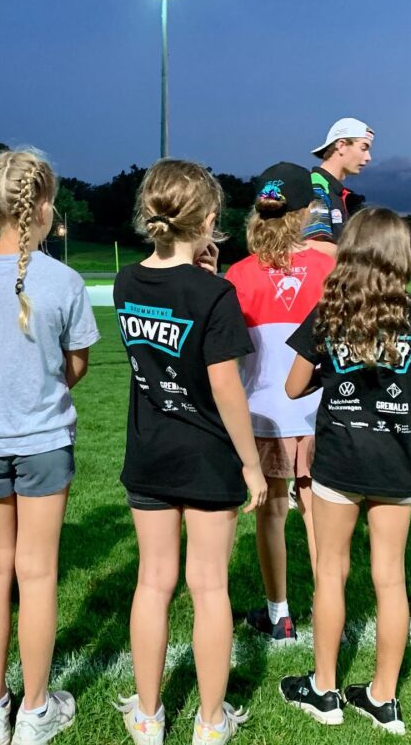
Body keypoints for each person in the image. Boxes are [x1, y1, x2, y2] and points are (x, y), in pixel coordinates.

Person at [280, 208, 411, 735]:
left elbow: (294, 387)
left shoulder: (330, 311)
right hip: (396, 464)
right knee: (390, 579)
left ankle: (325, 689)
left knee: (330, 573)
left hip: (338, 463)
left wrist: (333, 376)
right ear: (402, 255)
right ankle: (383, 699)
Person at [112, 159, 267, 745]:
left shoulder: (127, 282)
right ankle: (209, 721)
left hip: (150, 453)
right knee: (209, 587)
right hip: (207, 457)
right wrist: (252, 464)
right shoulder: (216, 293)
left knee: (153, 582)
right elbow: (226, 387)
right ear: (206, 220)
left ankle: (149, 716)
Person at [0, 149, 100, 745]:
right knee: (36, 576)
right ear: (43, 206)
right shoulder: (64, 280)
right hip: (43, 445)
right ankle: (35, 712)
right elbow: (77, 365)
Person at [225, 163, 336, 645]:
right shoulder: (328, 268)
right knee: (317, 512)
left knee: (271, 513)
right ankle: (327, 607)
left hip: (261, 414)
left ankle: (280, 615)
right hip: (317, 411)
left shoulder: (238, 274)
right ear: (304, 211)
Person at [304, 117, 374, 251]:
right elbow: (312, 247)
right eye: (363, 148)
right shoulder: (316, 187)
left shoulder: (343, 194)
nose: (368, 157)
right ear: (341, 145)